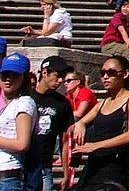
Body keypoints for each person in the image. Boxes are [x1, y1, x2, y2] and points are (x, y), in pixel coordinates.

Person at [70, 55, 129, 191]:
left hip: (115, 167)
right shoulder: (103, 102)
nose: (105, 77)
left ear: (125, 74)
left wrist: (95, 146)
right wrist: (80, 125)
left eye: (111, 73)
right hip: (93, 167)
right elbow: (79, 122)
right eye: (102, 73)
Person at [31, 55, 74, 191]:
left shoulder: (63, 104)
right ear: (45, 73)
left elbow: (65, 140)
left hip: (44, 166)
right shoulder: (26, 97)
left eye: (63, 76)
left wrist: (66, 174)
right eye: (57, 75)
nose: (60, 80)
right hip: (21, 163)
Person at [0, 53, 35, 191]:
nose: (8, 79)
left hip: (8, 178)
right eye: (5, 74)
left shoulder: (24, 103)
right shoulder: (8, 104)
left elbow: (22, 144)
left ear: (24, 77)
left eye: (15, 74)